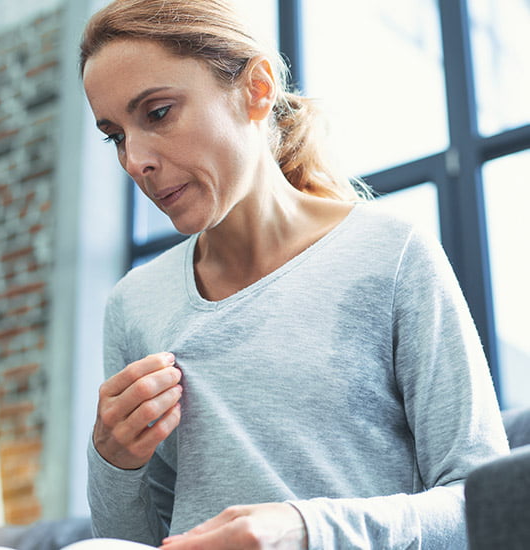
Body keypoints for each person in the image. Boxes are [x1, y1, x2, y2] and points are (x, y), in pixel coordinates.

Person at [79, 0, 509, 548]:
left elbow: (486, 505)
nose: (135, 159)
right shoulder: (133, 305)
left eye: (158, 113)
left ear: (256, 89)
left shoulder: (391, 252)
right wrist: (112, 462)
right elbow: (131, 542)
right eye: (115, 135)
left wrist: (309, 530)